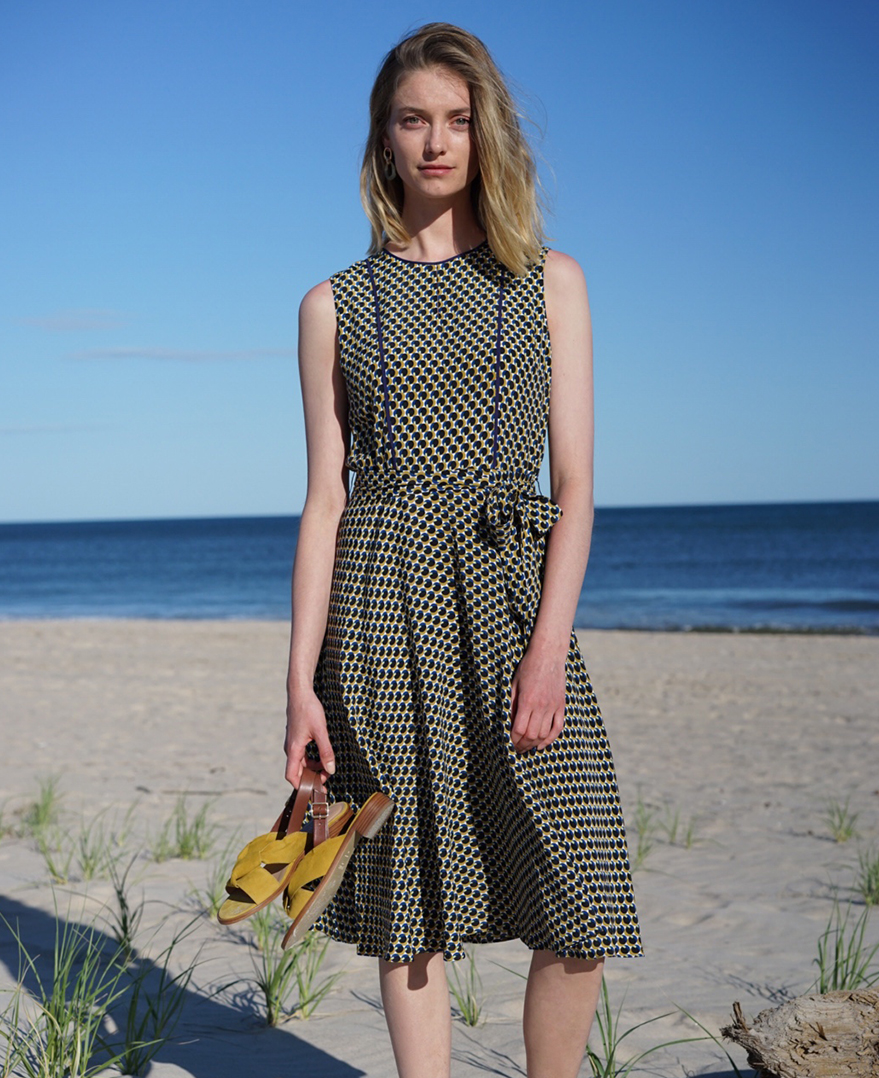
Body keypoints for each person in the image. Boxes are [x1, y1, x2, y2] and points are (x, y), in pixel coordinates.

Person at [283, 22, 642, 1078]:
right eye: (413, 120)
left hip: (510, 593)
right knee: (408, 895)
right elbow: (319, 503)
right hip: (382, 603)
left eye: (457, 119)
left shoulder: (550, 283)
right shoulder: (332, 306)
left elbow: (574, 491)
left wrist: (547, 646)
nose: (436, 141)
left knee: (580, 887)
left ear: (486, 133)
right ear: (383, 140)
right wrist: (298, 683)